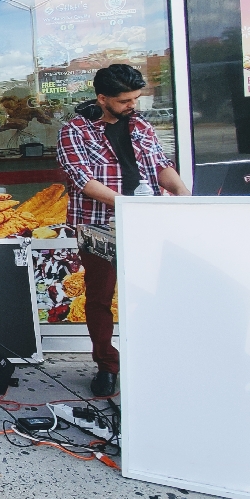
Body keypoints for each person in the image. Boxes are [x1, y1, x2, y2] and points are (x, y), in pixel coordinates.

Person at [57, 64, 189, 398]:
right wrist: (128, 206)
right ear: (102, 98)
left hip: (147, 219)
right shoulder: (75, 130)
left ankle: (153, 360)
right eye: (125, 100)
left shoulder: (142, 124)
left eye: (135, 98)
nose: (133, 105)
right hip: (99, 222)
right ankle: (106, 365)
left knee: (152, 293)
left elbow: (160, 166)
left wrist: (186, 198)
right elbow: (82, 179)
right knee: (100, 296)